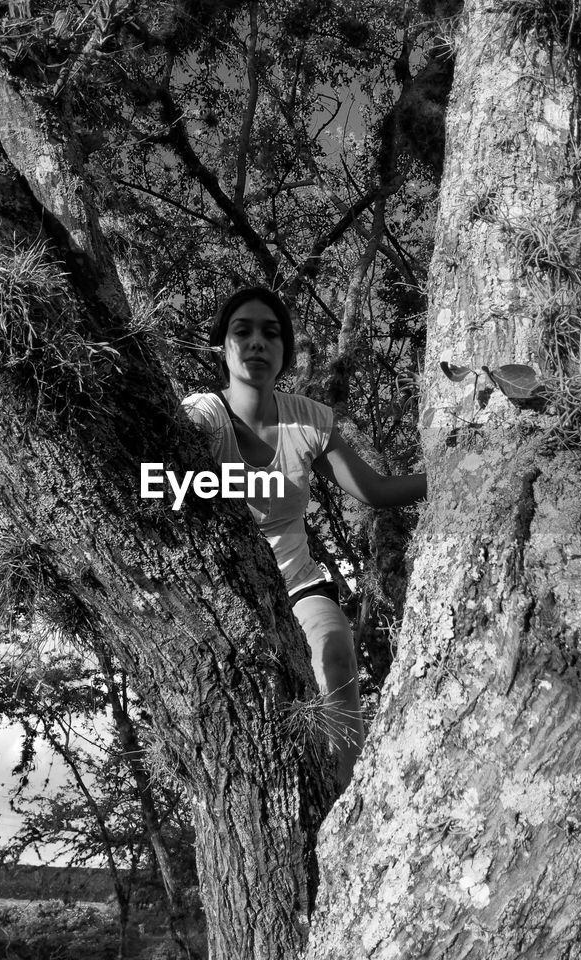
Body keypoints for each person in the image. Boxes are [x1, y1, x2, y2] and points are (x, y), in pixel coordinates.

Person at [181, 286, 426, 790]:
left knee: (335, 646)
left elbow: (374, 491)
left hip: (296, 581)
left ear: (286, 353)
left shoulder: (308, 418)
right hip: (225, 590)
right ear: (221, 348)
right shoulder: (203, 415)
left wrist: (447, 475)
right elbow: (157, 484)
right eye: (241, 332)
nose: (256, 343)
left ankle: (349, 791)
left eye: (271, 334)